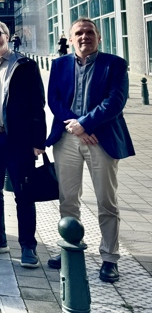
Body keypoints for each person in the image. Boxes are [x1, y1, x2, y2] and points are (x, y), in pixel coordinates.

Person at [46, 18, 134, 283]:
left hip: (100, 138)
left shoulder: (115, 64)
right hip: (67, 139)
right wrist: (75, 126)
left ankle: (109, 258)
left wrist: (84, 124)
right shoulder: (59, 65)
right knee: (68, 198)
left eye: (89, 32)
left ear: (99, 37)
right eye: (78, 33)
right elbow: (54, 100)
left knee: (106, 201)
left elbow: (115, 102)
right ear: (70, 39)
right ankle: (69, 249)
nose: (84, 37)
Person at [0, 19, 46, 268]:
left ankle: (28, 246)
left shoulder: (24, 65)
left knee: (24, 195)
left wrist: (38, 141)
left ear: (7, 35)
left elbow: (38, 105)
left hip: (18, 141)